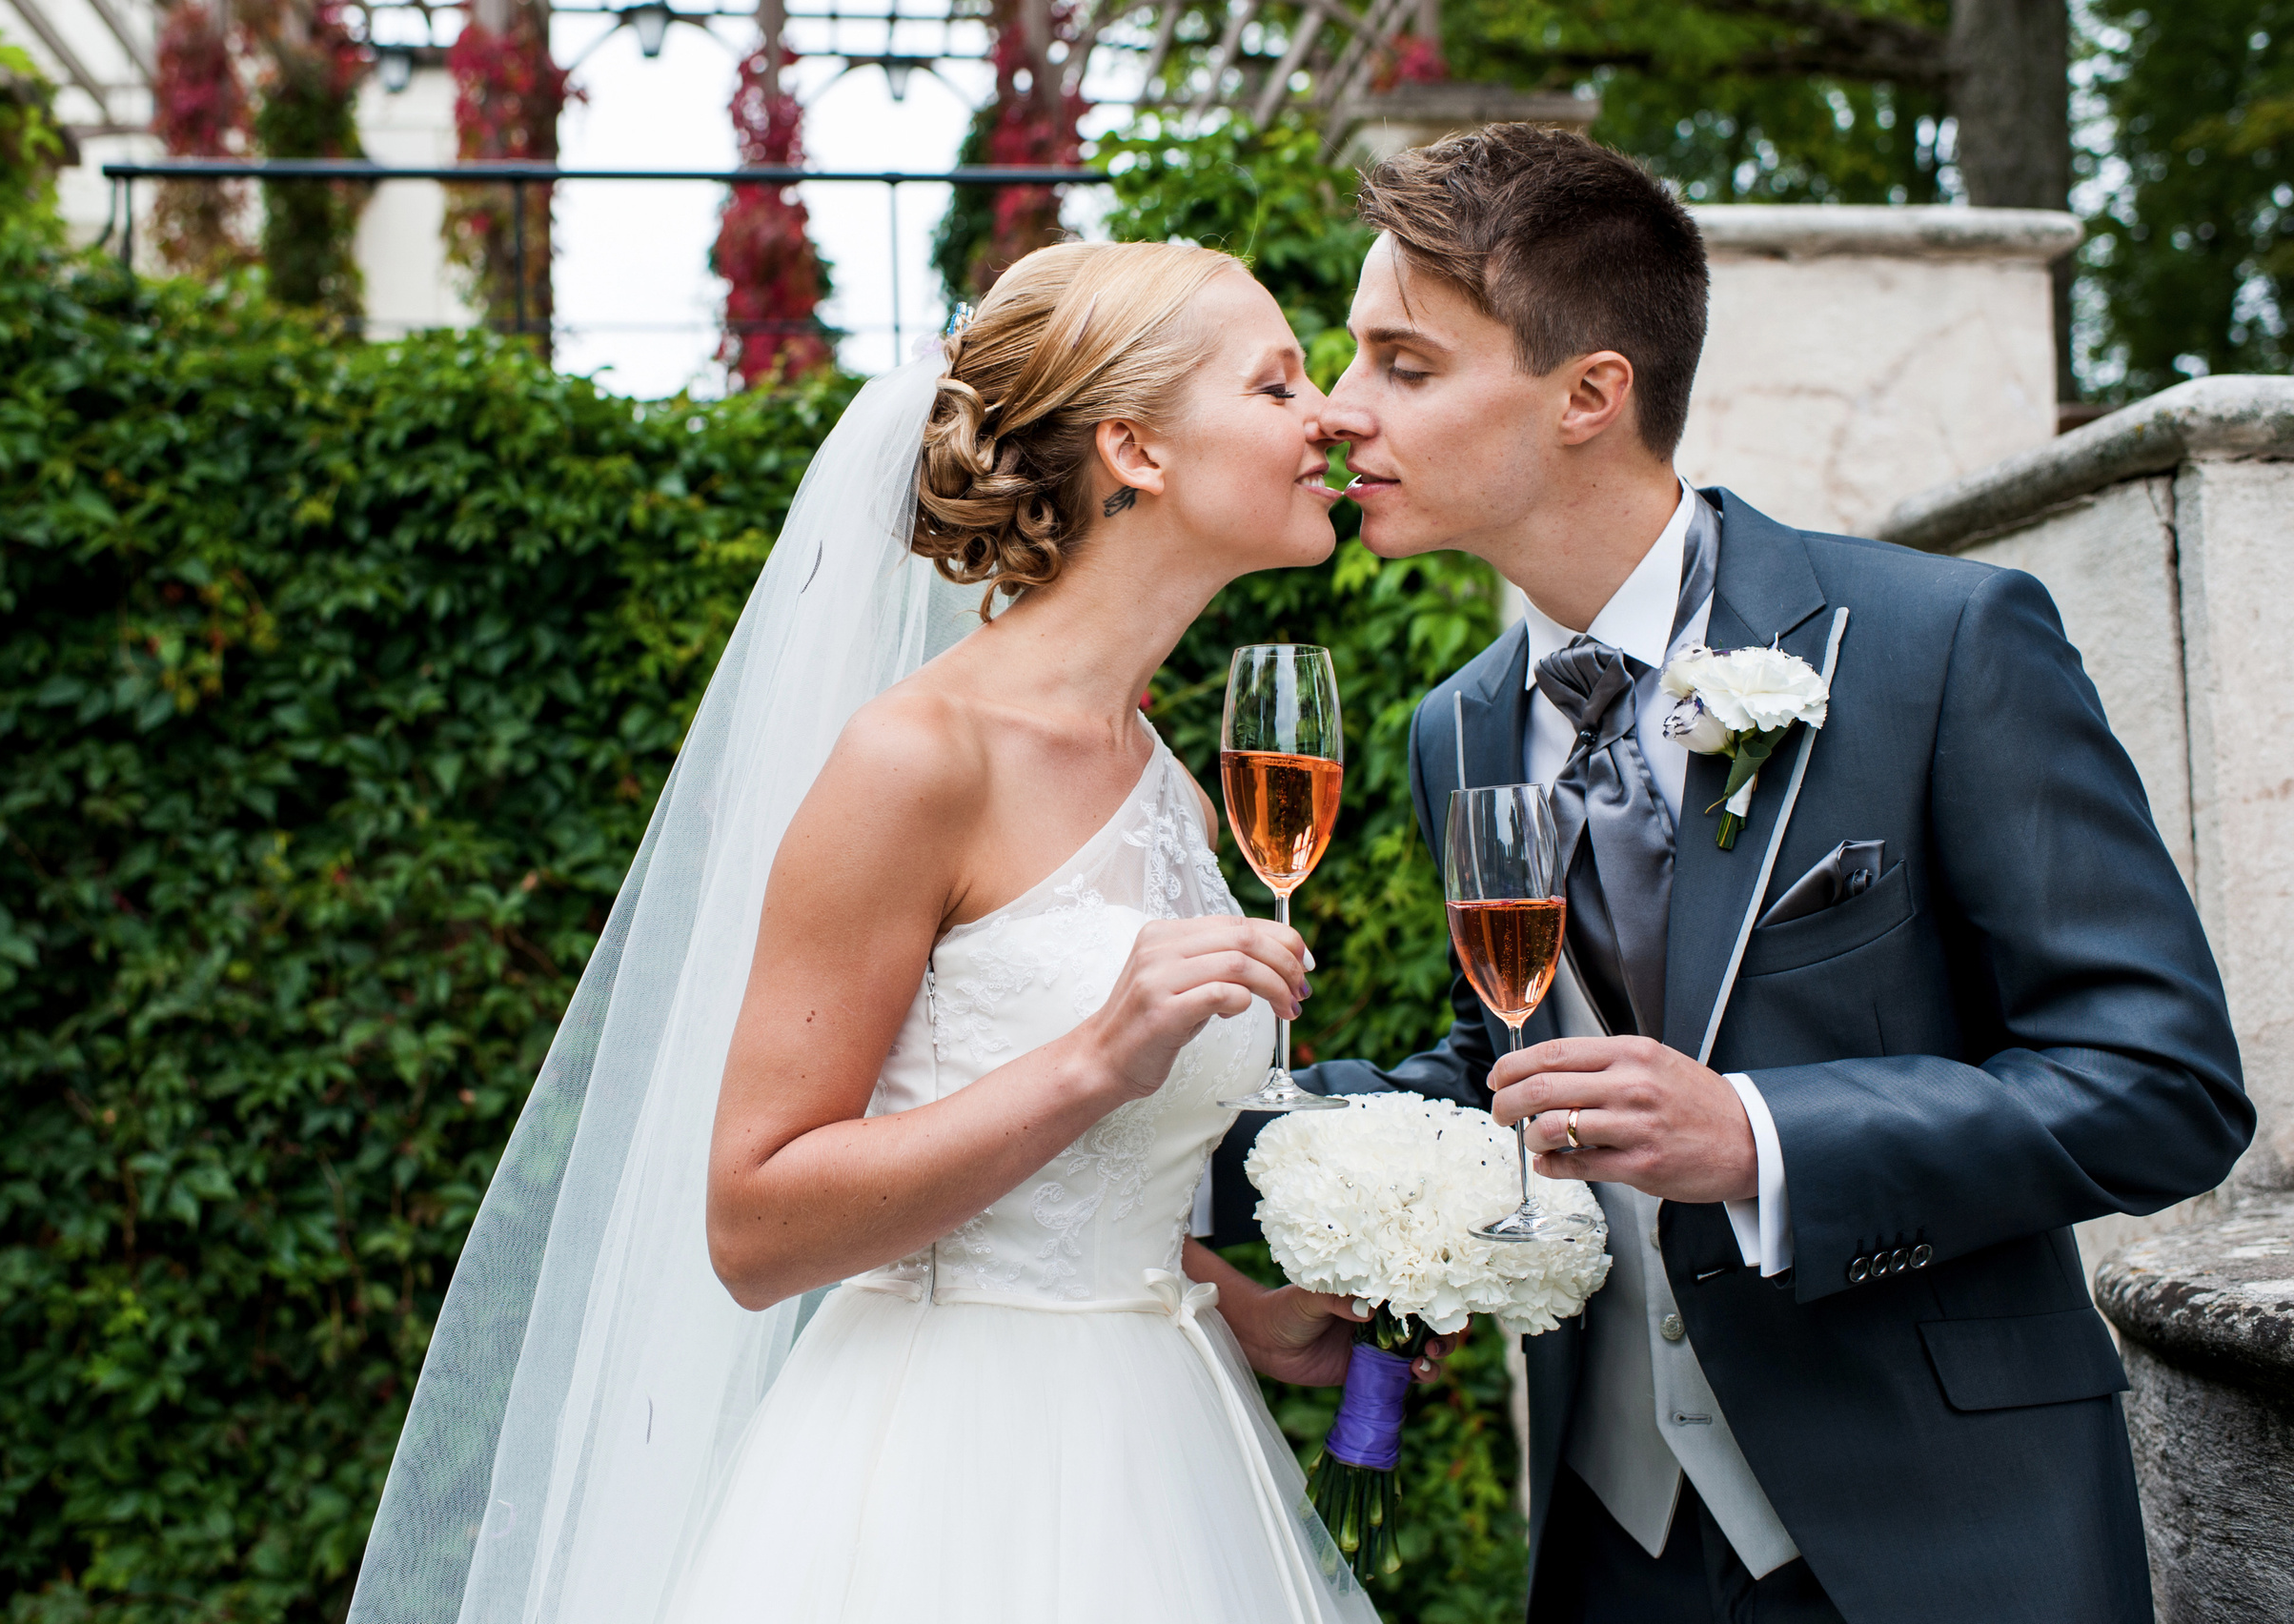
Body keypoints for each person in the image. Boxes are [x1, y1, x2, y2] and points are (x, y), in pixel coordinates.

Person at [1208, 126, 2254, 1622]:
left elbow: (2167, 1089)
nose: (1338, 413)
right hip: (1610, 1535)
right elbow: (1510, 1057)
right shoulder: (1458, 726)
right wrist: (1189, 1145)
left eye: (1405, 364)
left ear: (1590, 395)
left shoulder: (1938, 644)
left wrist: (1759, 1136)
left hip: (1945, 1531)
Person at [349, 240, 1393, 1624]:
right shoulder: (917, 761)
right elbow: (755, 1219)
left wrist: (1234, 1305)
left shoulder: (1169, 779)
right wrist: (1096, 1055)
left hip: (1161, 1437)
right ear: (1134, 449)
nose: (1329, 413)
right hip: (940, 1478)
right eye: (1278, 383)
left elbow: (1060, 1195)